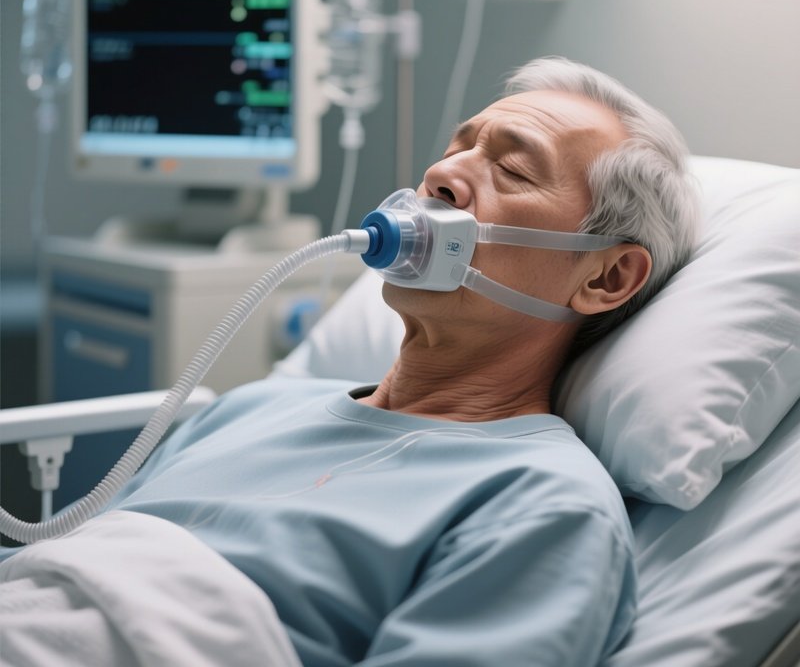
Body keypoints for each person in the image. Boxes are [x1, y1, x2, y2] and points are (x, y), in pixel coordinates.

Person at [0, 57, 698, 667]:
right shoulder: (253, 406)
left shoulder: (543, 506)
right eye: (458, 147)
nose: (443, 174)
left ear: (605, 279)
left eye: (511, 168)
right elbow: (64, 579)